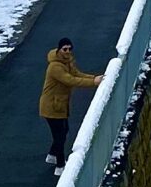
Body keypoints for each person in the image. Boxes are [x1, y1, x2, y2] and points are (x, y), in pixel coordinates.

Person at [39, 37, 103, 171]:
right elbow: (70, 80)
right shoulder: (55, 67)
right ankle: (60, 166)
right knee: (59, 135)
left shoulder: (68, 62)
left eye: (69, 49)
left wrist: (94, 78)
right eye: (65, 49)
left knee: (63, 131)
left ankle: (52, 155)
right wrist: (93, 83)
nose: (68, 51)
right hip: (52, 106)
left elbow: (76, 74)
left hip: (59, 105)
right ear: (59, 49)